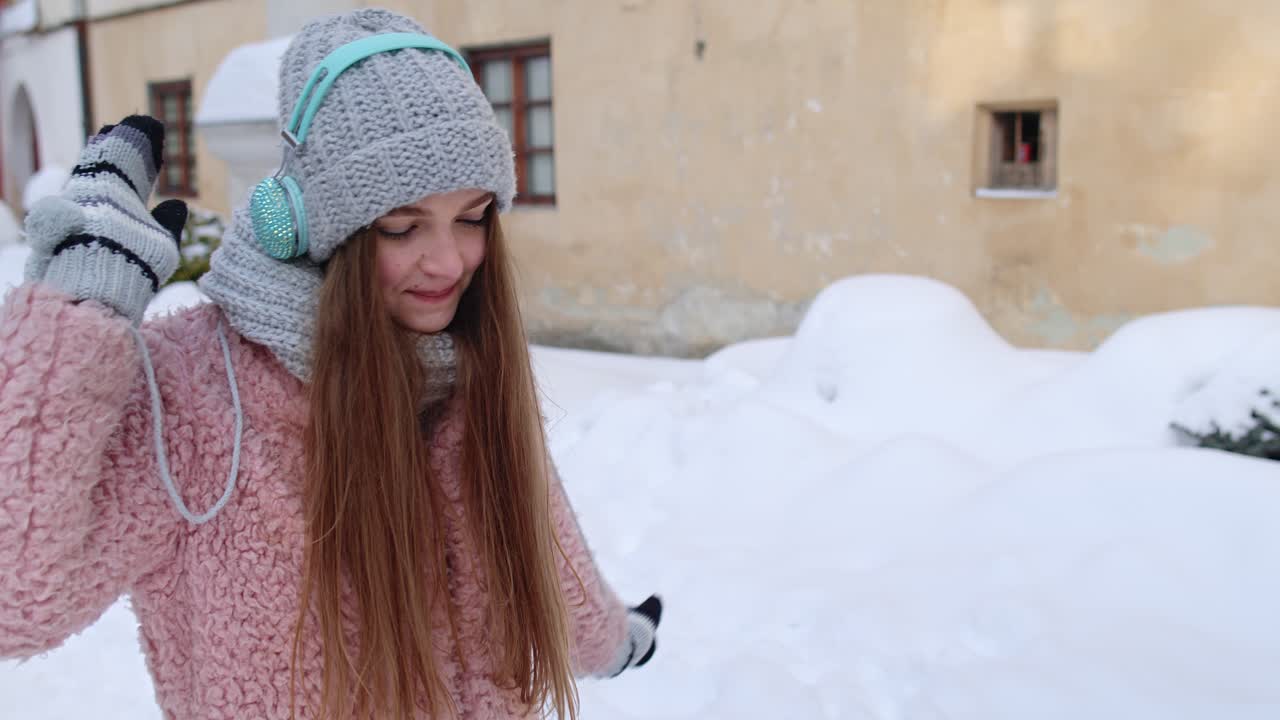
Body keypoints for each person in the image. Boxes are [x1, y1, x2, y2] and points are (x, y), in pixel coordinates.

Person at [0, 8, 661, 720]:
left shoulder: (465, 373)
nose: (449, 262)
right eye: (402, 227)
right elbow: (19, 598)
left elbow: (539, 540)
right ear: (306, 225)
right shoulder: (196, 396)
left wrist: (613, 640)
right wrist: (79, 315)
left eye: (472, 217)